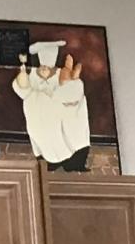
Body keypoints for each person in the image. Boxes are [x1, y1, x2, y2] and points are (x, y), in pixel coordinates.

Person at [12, 39, 93, 171]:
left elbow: (73, 96)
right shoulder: (32, 75)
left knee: (68, 139)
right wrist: (23, 76)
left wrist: (68, 85)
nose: (45, 69)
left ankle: (73, 164)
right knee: (45, 144)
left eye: (49, 67)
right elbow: (23, 90)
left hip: (60, 119)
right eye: (42, 67)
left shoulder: (62, 74)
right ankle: (50, 164)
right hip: (40, 119)